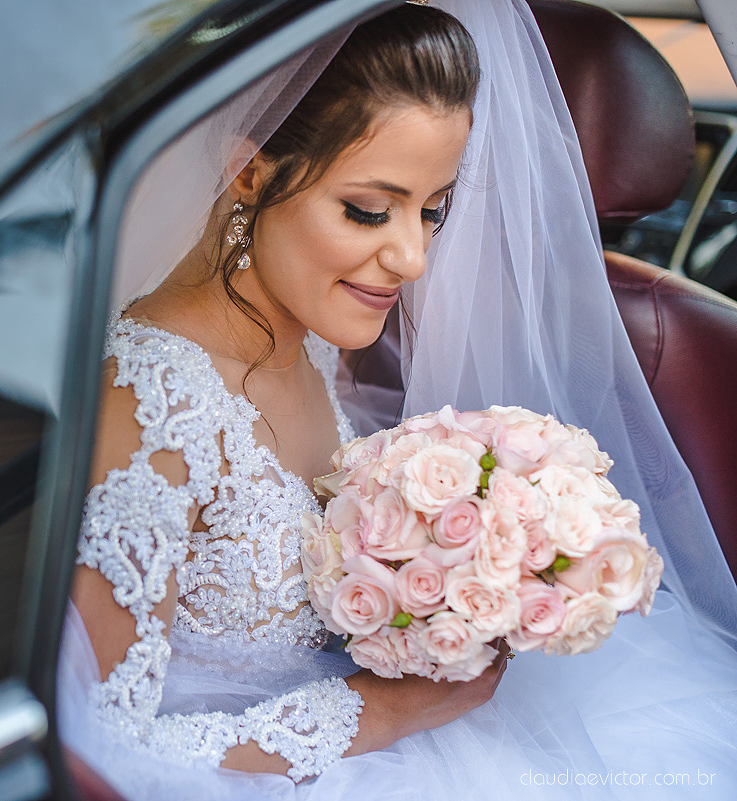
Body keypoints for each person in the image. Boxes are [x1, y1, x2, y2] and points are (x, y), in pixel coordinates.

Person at [58, 1, 737, 799]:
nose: (412, 258)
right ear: (251, 173)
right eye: (369, 211)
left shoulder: (310, 337)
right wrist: (377, 711)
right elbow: (97, 742)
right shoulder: (147, 404)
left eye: (435, 210)